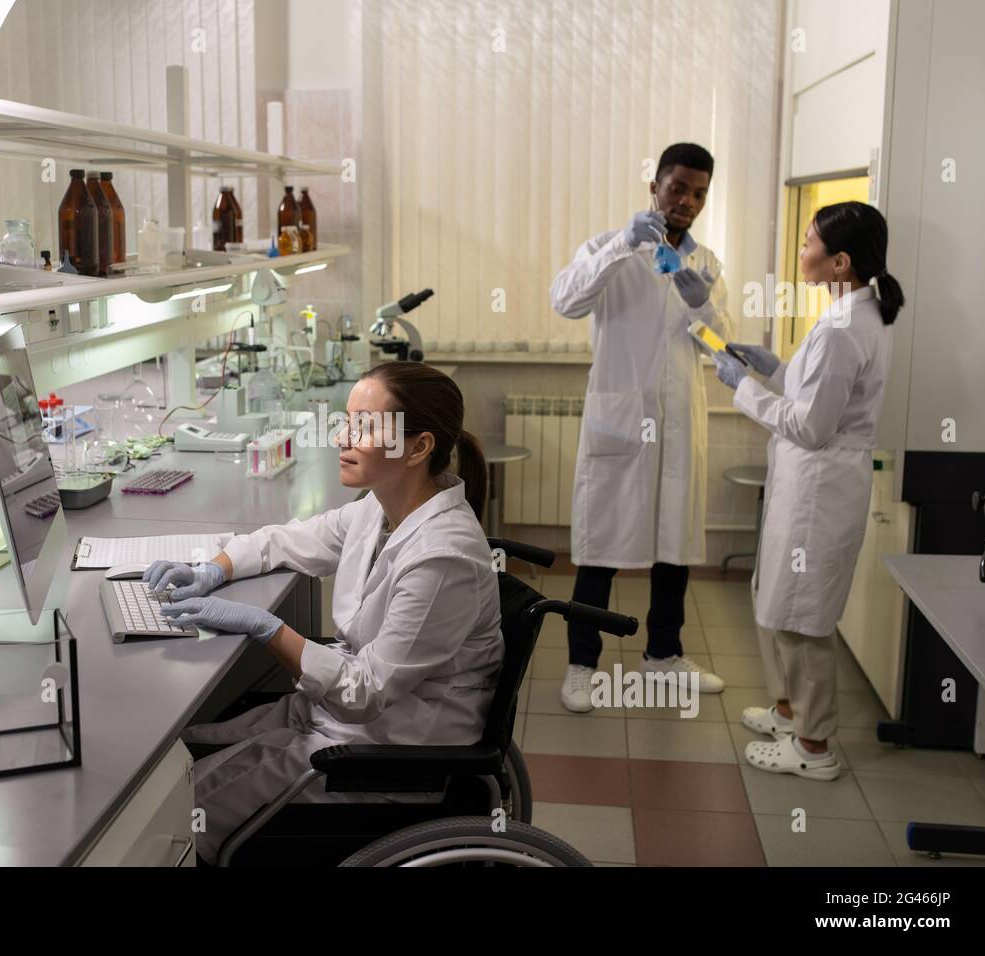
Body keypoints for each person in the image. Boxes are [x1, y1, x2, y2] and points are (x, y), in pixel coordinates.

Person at [145, 362, 503, 864]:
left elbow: (366, 693)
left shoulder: (443, 556)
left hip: (390, 756)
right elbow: (285, 541)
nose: (343, 437)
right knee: (187, 750)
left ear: (418, 447)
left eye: (364, 427)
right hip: (340, 721)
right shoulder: (378, 509)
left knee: (179, 814)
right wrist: (212, 569)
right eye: (346, 421)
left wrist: (267, 628)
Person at [714, 201, 901, 780]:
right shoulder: (854, 313)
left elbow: (813, 425)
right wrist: (776, 370)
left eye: (808, 243)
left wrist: (744, 388)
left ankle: (814, 749)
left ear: (840, 262)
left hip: (819, 488)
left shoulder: (846, 328)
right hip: (812, 484)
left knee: (803, 616)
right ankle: (789, 711)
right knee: (777, 596)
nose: (801, 252)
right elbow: (818, 395)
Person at [549, 143, 734, 713]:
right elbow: (566, 301)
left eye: (699, 193)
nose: (686, 201)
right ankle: (582, 663)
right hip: (621, 423)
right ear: (654, 185)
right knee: (600, 545)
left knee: (674, 546)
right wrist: (625, 243)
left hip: (678, 427)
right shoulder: (611, 247)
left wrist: (704, 307)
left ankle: (663, 656)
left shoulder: (707, 264)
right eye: (677, 187)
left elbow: (719, 346)